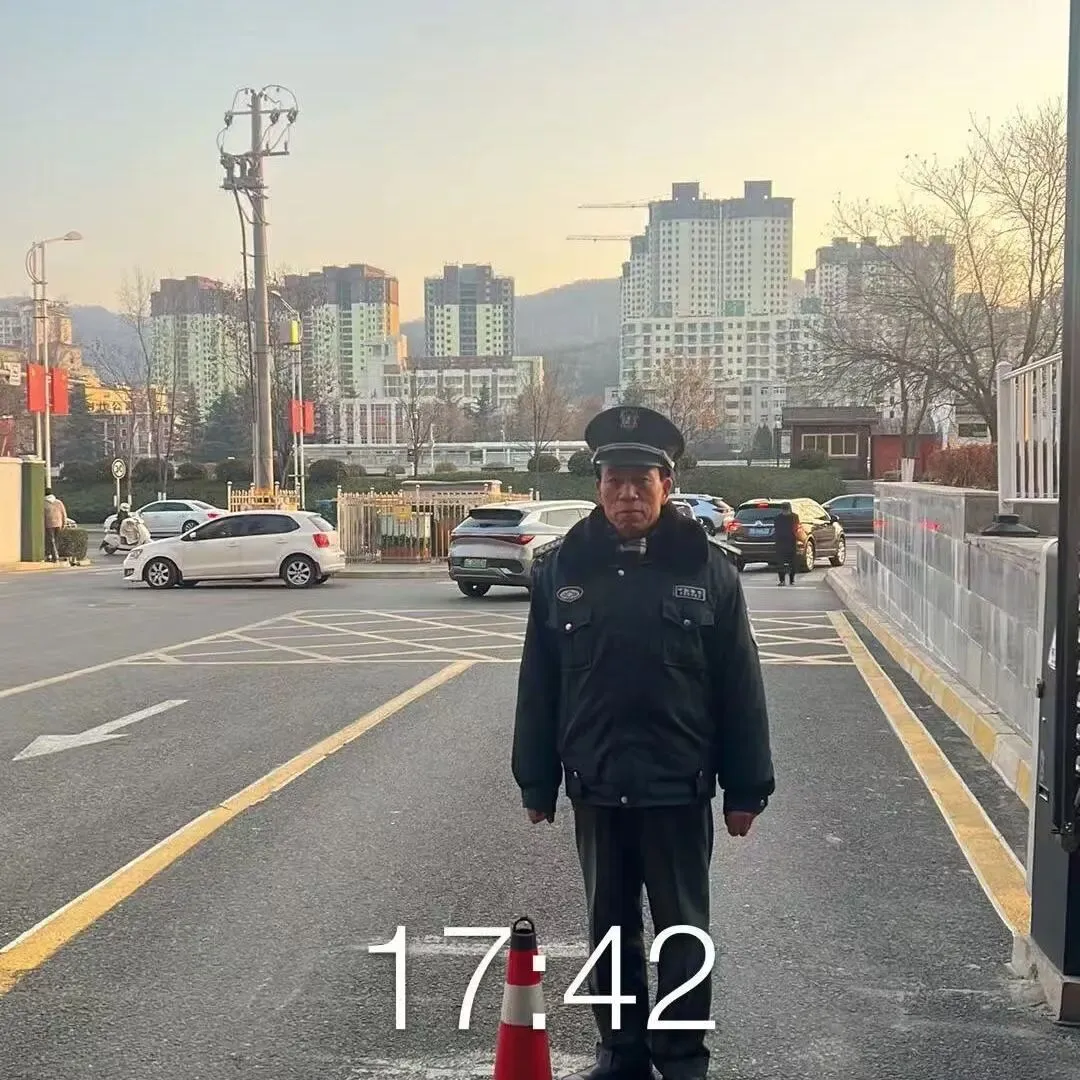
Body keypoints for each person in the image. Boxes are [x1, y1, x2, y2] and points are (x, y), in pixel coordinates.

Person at [512, 405, 775, 1080]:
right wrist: (536, 780)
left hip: (677, 784)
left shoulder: (707, 569)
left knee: (683, 931)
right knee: (609, 932)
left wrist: (746, 788)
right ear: (599, 486)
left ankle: (682, 1058)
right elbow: (539, 684)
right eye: (615, 481)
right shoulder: (562, 570)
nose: (628, 495)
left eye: (642, 482)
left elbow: (739, 684)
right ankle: (621, 1053)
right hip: (597, 783)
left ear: (667, 485)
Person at [773, 501, 798, 586]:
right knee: (789, 562)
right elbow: (796, 529)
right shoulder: (794, 517)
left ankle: (785, 580)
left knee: (784, 562)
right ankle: (788, 580)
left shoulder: (777, 518)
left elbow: (776, 530)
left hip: (783, 542)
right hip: (788, 542)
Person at [43, 489, 67, 563]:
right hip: (59, 523)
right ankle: (55, 555)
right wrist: (64, 523)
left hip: (49, 524)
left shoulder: (43, 503)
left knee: (51, 540)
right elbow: (64, 513)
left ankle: (54, 556)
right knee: (56, 540)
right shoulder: (58, 502)